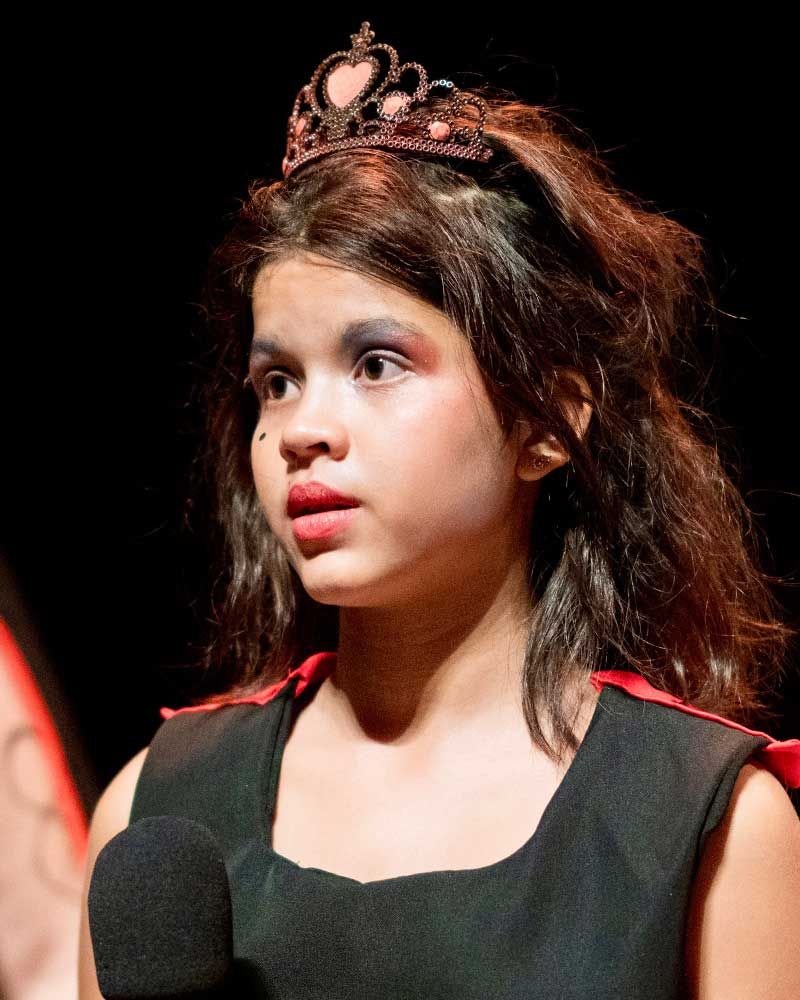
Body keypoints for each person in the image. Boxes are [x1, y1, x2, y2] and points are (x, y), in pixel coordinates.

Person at [78, 21, 800, 1000]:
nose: (302, 430)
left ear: (546, 420)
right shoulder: (155, 810)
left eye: (375, 364)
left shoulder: (695, 822)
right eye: (276, 382)